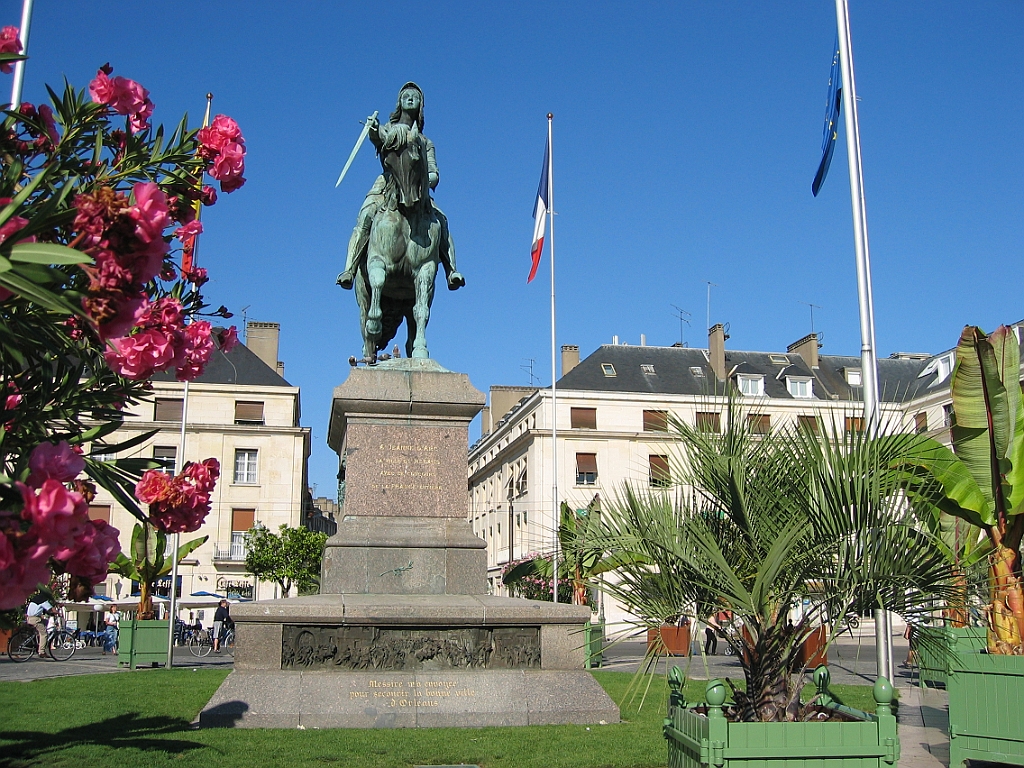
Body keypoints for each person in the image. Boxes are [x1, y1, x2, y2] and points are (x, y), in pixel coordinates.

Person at [336, 82, 463, 292]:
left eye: (415, 96)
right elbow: (378, 139)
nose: (411, 98)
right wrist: (374, 130)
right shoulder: (388, 129)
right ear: (399, 102)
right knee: (366, 215)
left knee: (441, 220)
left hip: (417, 186)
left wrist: (424, 180)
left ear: (421, 105)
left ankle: (452, 270)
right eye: (406, 96)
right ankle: (349, 268)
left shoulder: (426, 141)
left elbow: (434, 173)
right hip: (386, 184)